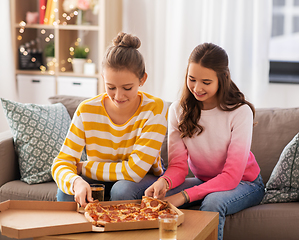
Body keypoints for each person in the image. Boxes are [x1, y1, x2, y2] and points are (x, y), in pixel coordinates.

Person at [145, 43, 265, 240]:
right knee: (148, 194)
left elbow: (231, 176)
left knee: (212, 202)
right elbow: (178, 167)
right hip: (204, 180)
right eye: (192, 79)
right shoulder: (177, 110)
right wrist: (164, 181)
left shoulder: (239, 112)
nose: (197, 88)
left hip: (245, 183)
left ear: (223, 78)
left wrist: (184, 196)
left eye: (206, 82)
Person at [52, 32, 168, 207]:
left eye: (127, 88)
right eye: (111, 87)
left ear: (142, 79)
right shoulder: (86, 110)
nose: (118, 96)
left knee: (122, 191)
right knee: (66, 193)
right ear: (103, 79)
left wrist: (85, 168)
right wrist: (76, 182)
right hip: (101, 177)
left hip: (141, 179)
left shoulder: (155, 109)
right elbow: (62, 162)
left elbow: (135, 171)